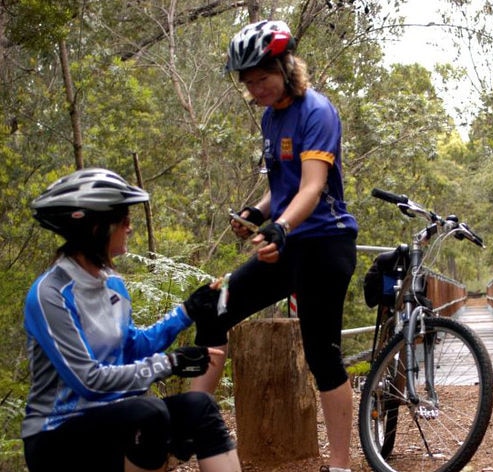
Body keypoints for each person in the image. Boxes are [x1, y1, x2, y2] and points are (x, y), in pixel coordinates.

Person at [189, 20, 359, 472]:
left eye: (262, 78)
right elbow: (282, 187)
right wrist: (257, 214)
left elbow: (313, 186)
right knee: (214, 307)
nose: (255, 88)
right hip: (287, 243)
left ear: (286, 68)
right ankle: (191, 431)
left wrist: (279, 227)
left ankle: (339, 465)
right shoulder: (270, 117)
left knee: (322, 354)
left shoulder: (317, 111)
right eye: (247, 82)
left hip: (325, 244)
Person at [22, 168, 241, 472]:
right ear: (95, 226)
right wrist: (169, 364)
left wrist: (187, 311)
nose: (130, 228)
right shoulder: (50, 295)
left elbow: (132, 345)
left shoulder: (112, 284)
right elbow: (89, 381)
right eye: (124, 220)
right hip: (56, 436)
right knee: (148, 413)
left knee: (199, 408)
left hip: (114, 418)